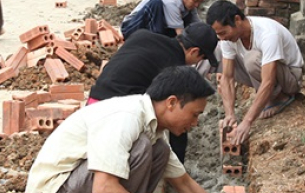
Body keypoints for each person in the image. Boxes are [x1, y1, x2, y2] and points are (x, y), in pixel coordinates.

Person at [24, 66, 267, 193]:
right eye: (194, 114)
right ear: (171, 102)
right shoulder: (126, 119)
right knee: (142, 148)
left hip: (75, 192)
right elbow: (103, 189)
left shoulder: (152, 128)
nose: (195, 123)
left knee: (157, 151)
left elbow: (183, 182)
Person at [88, 23, 219, 163]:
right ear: (194, 51)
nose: (197, 63)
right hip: (114, 118)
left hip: (91, 105)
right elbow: (177, 117)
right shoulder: (175, 67)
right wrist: (179, 162)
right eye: (201, 58)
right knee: (150, 145)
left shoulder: (143, 35)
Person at [206, 0, 304, 145]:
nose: (222, 38)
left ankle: (281, 97)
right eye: (218, 34)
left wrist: (247, 122)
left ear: (237, 20)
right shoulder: (228, 39)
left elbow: (268, 81)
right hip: (266, 72)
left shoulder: (268, 33)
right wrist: (230, 114)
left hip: (290, 77)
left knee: (252, 60)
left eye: (223, 33)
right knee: (225, 60)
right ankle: (269, 97)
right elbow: (227, 77)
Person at [120, 0, 210, 41]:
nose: (197, 5)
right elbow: (180, 34)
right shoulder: (172, 2)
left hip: (154, 28)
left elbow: (197, 25)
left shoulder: (189, 5)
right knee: (156, 3)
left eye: (199, 2)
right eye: (195, 1)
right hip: (132, 28)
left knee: (188, 24)